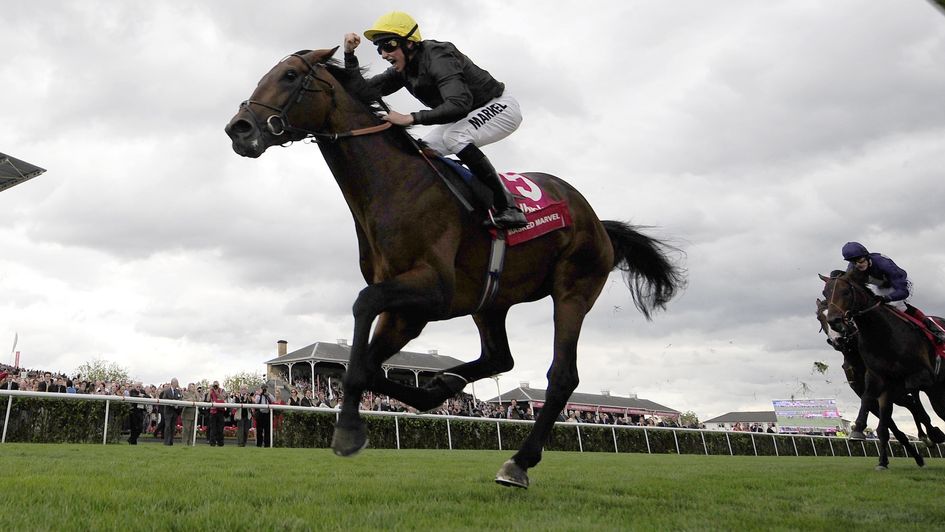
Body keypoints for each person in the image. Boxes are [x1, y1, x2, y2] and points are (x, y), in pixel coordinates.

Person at [343, 11, 527, 230]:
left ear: (410, 44)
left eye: (389, 45)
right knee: (421, 152)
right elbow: (361, 92)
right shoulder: (402, 69)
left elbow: (459, 104)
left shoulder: (439, 55)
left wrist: (410, 118)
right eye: (379, 48)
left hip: (499, 107)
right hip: (465, 116)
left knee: (454, 136)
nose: (383, 54)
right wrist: (349, 55)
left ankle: (509, 208)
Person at [841, 242, 945, 343]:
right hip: (880, 286)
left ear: (867, 256)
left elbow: (903, 292)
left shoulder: (884, 264)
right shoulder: (852, 268)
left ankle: (934, 328)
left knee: (897, 306)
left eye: (860, 260)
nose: (858, 265)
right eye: (853, 262)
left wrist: (887, 298)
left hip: (900, 284)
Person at [159, 378, 183, 446]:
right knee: (167, 427)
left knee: (172, 427)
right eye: (176, 383)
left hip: (175, 412)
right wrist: (172, 404)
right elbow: (164, 400)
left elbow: (180, 399)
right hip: (168, 412)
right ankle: (166, 442)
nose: (177, 384)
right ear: (173, 383)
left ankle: (171, 441)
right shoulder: (166, 391)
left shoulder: (178, 392)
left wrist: (177, 406)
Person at [207, 381, 226, 447]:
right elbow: (208, 399)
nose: (215, 387)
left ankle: (220, 443)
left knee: (220, 428)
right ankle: (212, 443)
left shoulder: (222, 390)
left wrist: (217, 392)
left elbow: (222, 398)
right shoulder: (211, 391)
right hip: (213, 411)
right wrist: (210, 392)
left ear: (218, 385)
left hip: (220, 411)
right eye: (214, 385)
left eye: (216, 385)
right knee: (213, 428)